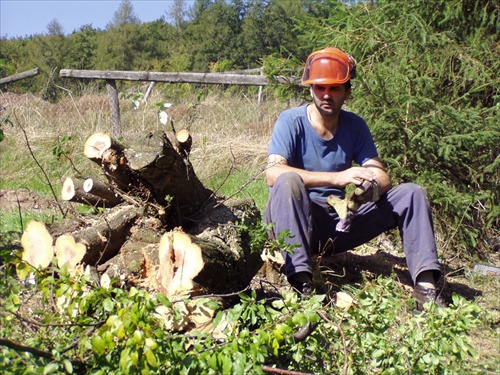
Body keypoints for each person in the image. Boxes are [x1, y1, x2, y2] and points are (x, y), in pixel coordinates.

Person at [264, 47, 445, 311]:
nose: (326, 95)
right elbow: (273, 173)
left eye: (335, 88)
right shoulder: (290, 122)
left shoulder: (355, 126)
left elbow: (382, 176)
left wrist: (365, 191)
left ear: (347, 92)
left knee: (412, 192)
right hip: (292, 223)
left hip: (339, 223)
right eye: (320, 88)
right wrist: (339, 178)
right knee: (288, 180)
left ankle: (426, 289)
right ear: (311, 89)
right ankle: (303, 287)